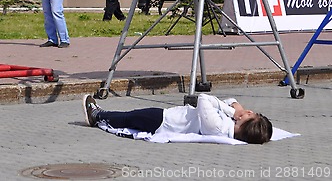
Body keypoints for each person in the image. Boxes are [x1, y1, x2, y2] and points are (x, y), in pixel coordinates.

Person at [83, 93, 272, 144]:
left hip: (162, 120)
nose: (248, 111)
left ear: (245, 123)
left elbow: (204, 99)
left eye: (250, 115)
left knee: (127, 118)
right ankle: (99, 115)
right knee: (130, 117)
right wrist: (236, 107)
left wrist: (232, 111)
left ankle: (97, 115)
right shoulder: (229, 126)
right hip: (166, 118)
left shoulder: (218, 126)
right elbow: (227, 101)